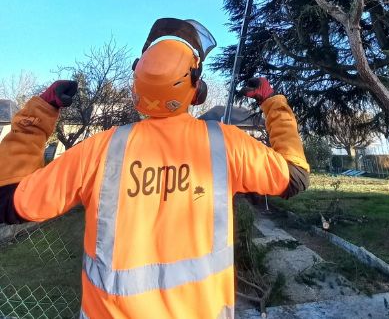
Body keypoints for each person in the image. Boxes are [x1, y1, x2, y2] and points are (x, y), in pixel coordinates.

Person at [0, 18, 309, 319]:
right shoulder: (226, 145)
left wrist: (41, 110)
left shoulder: (99, 151)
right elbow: (294, 176)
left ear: (138, 84)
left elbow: (10, 200)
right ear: (195, 86)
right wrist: (271, 102)